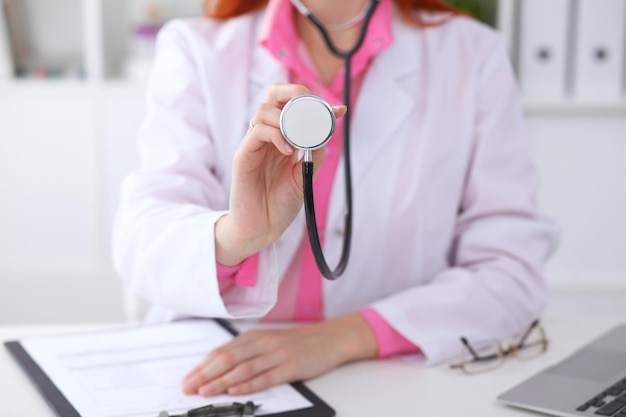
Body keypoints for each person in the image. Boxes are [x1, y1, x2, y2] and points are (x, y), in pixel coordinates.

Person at [113, 0, 558, 399]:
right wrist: (238, 234)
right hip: (218, 373)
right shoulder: (196, 47)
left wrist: (344, 337)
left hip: (386, 383)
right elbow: (143, 236)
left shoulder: (472, 55)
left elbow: (511, 269)